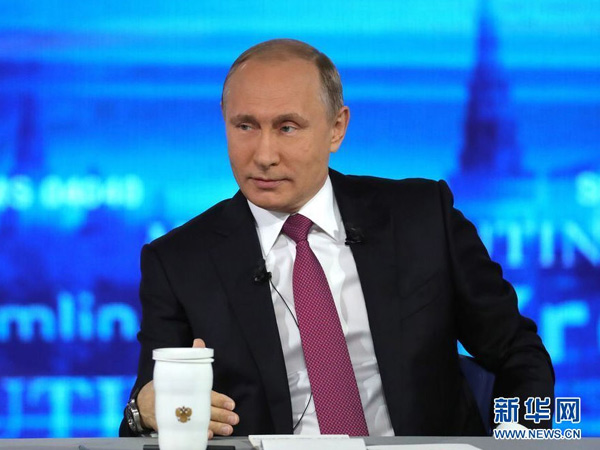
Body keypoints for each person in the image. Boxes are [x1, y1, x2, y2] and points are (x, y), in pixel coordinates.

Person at [120, 38, 554, 438]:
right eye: (245, 126)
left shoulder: (422, 218)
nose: (264, 155)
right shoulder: (179, 262)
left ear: (336, 128)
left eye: (287, 127)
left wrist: (517, 441)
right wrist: (143, 412)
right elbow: (149, 412)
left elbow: (518, 352)